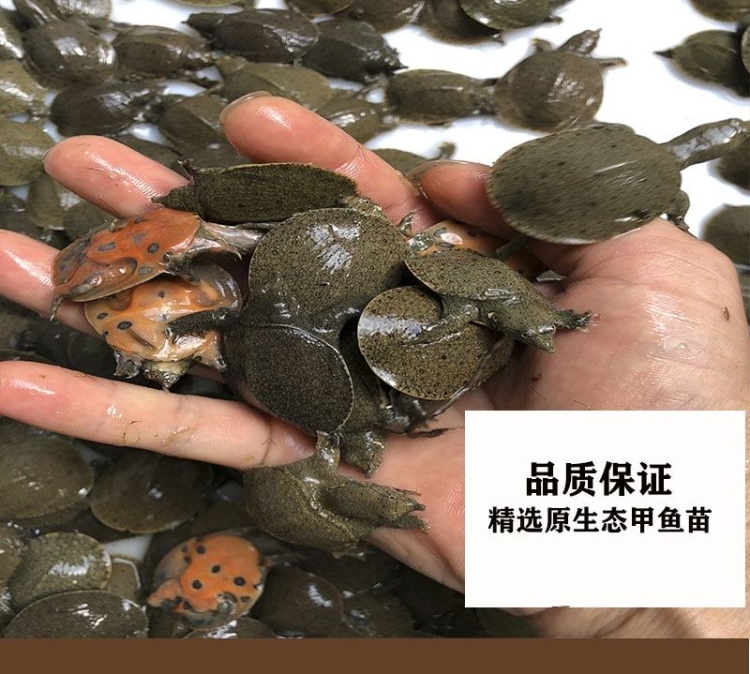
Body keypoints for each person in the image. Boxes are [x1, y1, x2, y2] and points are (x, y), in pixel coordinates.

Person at [0, 93, 748, 637]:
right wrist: (645, 599)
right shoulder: (343, 337)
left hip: (319, 336)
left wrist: (644, 598)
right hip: (309, 327)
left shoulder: (368, 362)